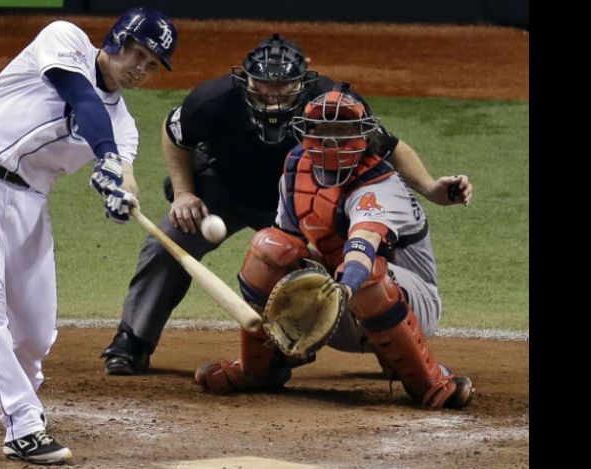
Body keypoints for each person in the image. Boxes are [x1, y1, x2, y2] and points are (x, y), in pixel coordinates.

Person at [100, 33, 472, 375]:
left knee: (359, 263)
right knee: (169, 241)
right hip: (224, 193)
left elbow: (386, 146)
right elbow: (174, 133)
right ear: (246, 78)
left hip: (303, 205)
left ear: (302, 81)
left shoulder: (330, 103)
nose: (273, 94)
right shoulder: (214, 99)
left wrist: (430, 188)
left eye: (283, 85)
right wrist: (184, 193)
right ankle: (133, 341)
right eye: (263, 84)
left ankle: (385, 348)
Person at [0, 7, 177, 465]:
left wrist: (121, 195)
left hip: (28, 203)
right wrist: (104, 156)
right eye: (138, 53)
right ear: (117, 39)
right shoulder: (66, 40)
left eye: (153, 63)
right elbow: (80, 96)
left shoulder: (124, 127)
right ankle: (23, 425)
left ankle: (5, 376)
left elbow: (126, 173)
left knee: (38, 334)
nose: (141, 67)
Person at [193, 88, 474, 409]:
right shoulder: (296, 168)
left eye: (342, 132)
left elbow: (361, 250)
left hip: (408, 304)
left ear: (365, 137)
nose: (331, 142)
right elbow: (289, 244)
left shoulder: (380, 184)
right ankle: (259, 369)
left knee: (367, 274)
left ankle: (430, 382)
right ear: (307, 132)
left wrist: (339, 292)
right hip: (334, 306)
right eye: (323, 131)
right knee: (268, 248)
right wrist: (299, 291)